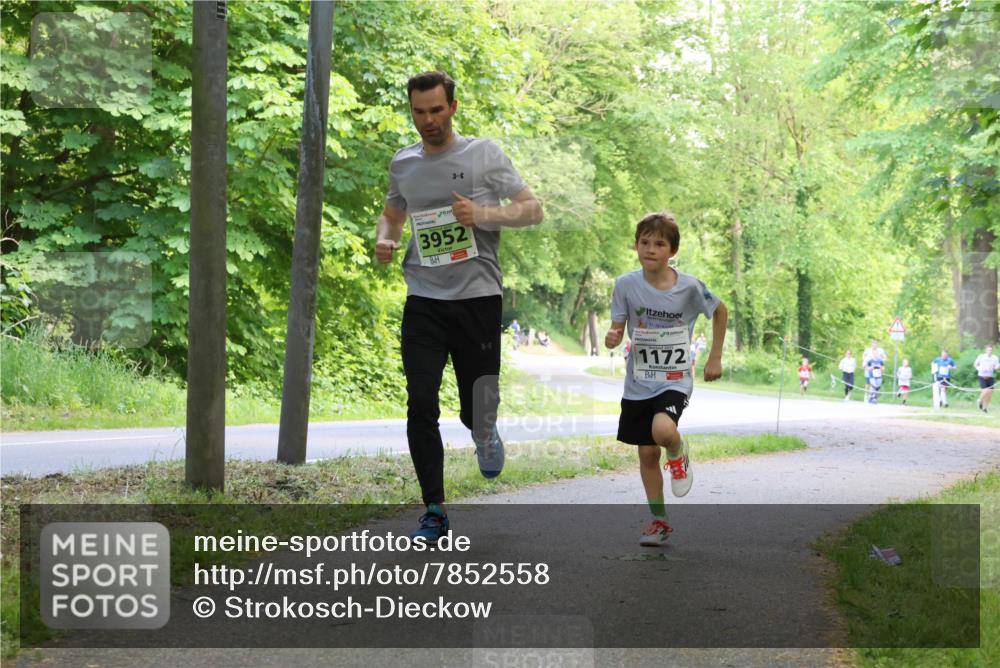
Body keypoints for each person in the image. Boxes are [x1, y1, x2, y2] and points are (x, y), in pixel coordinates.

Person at [374, 71, 543, 542]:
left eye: (436, 110)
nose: (428, 120)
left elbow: (533, 209)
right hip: (424, 298)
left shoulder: (482, 154)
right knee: (420, 401)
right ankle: (434, 509)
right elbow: (392, 215)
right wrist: (386, 240)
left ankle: (483, 431)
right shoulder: (404, 163)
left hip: (477, 298)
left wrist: (483, 214)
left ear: (453, 107)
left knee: (476, 408)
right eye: (419, 112)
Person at [604, 211, 728, 546]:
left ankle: (677, 449)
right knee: (646, 454)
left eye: (659, 244)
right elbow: (617, 327)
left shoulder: (688, 287)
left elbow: (720, 310)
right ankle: (659, 521)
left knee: (662, 431)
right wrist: (613, 337)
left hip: (674, 378)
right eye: (645, 242)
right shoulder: (626, 285)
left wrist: (715, 356)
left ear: (672, 250)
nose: (651, 249)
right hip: (638, 382)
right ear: (636, 245)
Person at [974, 345, 999, 413]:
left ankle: (985, 408)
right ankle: (979, 400)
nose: (990, 351)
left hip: (990, 377)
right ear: (985, 350)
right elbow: (975, 364)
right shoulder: (981, 356)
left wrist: (997, 368)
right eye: (988, 350)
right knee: (985, 391)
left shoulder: (995, 358)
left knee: (989, 393)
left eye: (991, 350)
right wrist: (979, 369)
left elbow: (997, 366)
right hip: (982, 376)